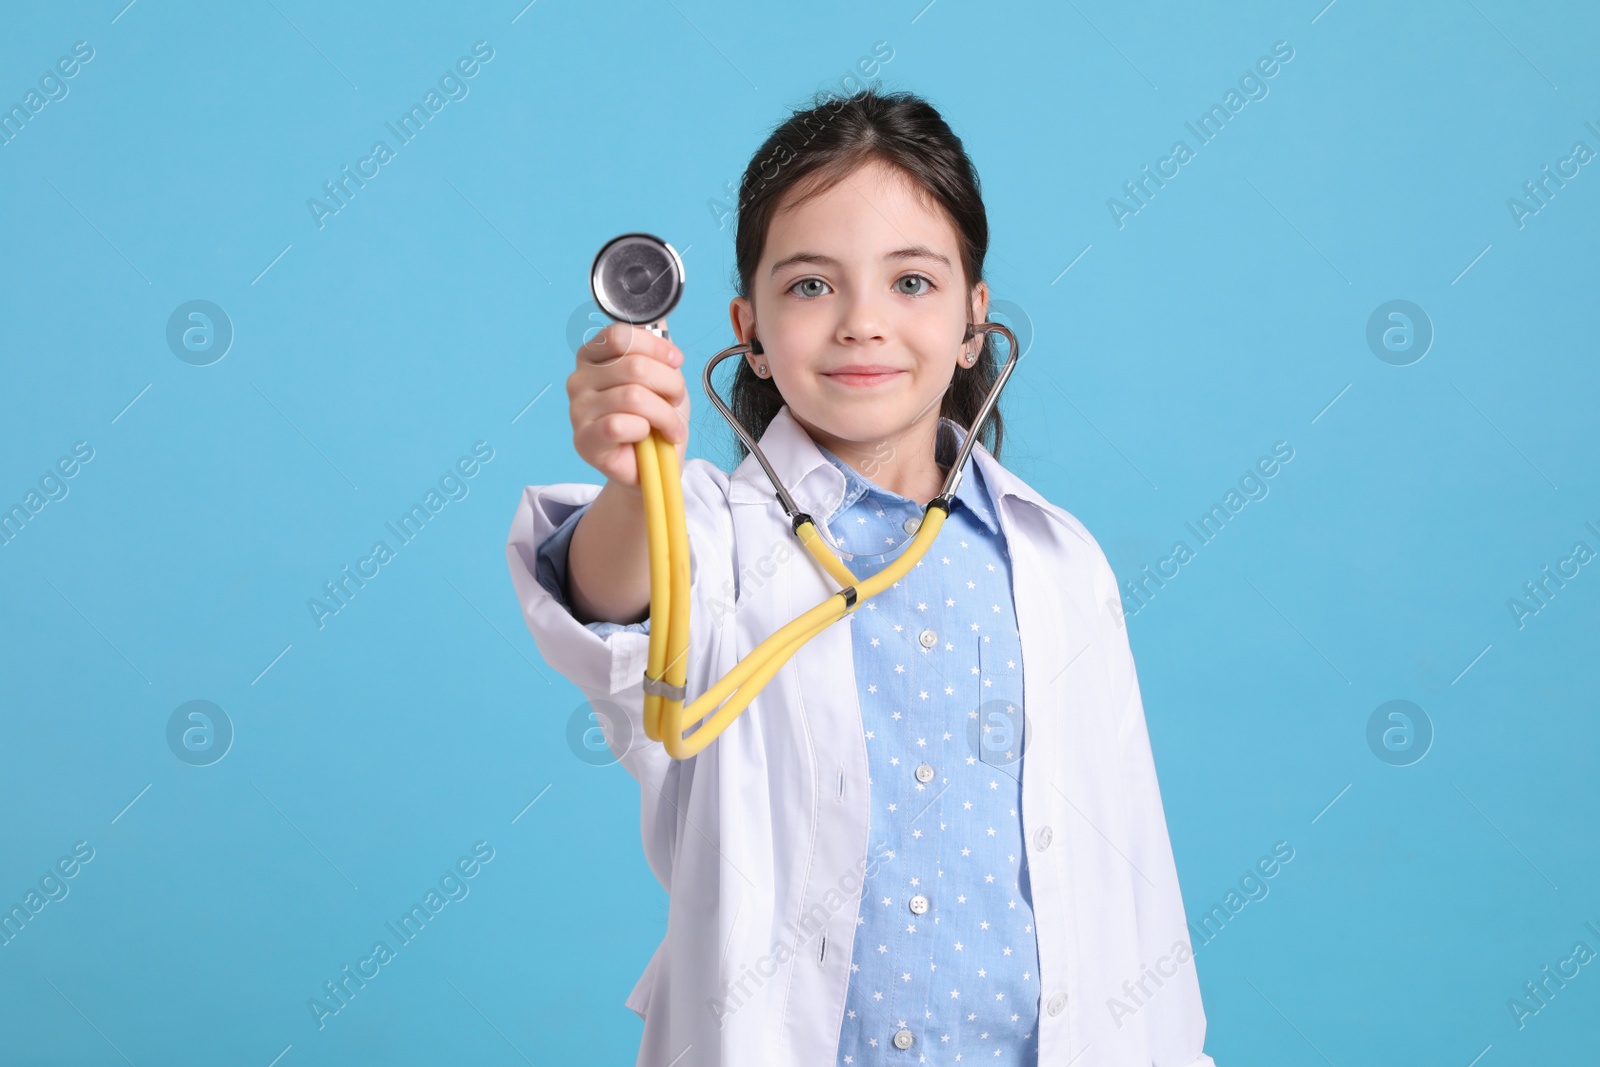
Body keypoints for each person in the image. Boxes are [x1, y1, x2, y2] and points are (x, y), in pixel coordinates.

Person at [505, 87, 1216, 1067]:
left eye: (912, 283)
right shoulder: (707, 536)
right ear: (746, 325)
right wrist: (634, 479)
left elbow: (1133, 874)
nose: (862, 323)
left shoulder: (1058, 563)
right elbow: (614, 605)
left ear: (975, 320)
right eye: (810, 286)